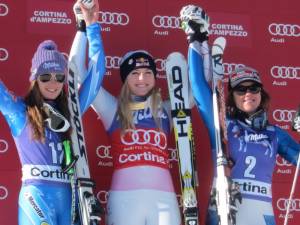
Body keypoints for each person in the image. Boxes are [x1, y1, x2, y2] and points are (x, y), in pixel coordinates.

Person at [179, 4, 300, 225]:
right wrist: (194, 38)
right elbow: (197, 85)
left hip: (262, 214)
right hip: (225, 208)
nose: (248, 94)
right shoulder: (223, 123)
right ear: (232, 96)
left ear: (261, 94)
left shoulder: (275, 134)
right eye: (241, 89)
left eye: (253, 88)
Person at [0, 0, 105, 224]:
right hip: (35, 198)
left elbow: (97, 73)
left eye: (59, 77)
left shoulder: (72, 109)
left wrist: (92, 26)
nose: (53, 83)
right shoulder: (21, 111)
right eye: (45, 77)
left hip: (70, 198)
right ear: (34, 79)